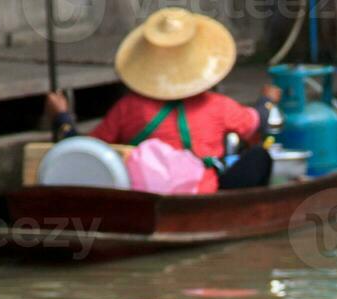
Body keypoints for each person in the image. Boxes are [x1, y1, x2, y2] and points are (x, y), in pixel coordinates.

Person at [45, 8, 280, 192]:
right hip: (200, 191)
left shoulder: (129, 107)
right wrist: (267, 101)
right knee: (260, 156)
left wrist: (63, 118)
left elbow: (87, 151)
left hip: (145, 193)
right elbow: (257, 121)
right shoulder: (216, 105)